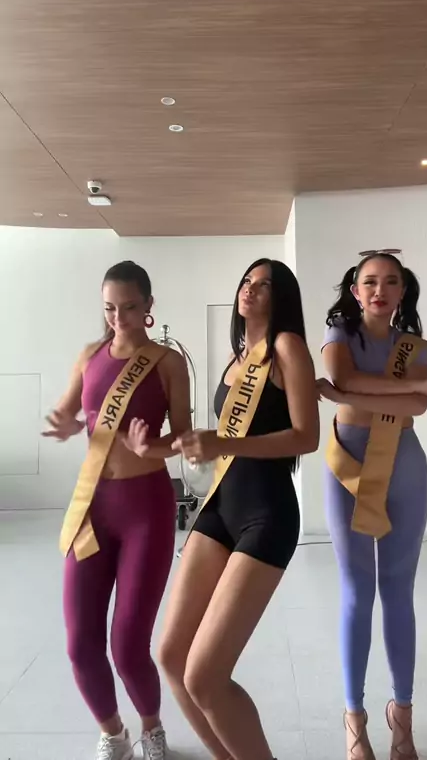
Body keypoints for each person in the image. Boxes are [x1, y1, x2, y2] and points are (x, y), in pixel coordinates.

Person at [132, 258, 319, 760]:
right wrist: (155, 449)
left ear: (282, 298)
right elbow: (214, 440)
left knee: (205, 675)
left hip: (267, 514)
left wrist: (226, 441)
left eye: (265, 285)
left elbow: (307, 436)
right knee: (171, 657)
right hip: (220, 508)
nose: (251, 290)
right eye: (246, 281)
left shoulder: (287, 347)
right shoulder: (238, 359)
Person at [43, 261, 191, 760]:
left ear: (149, 306)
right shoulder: (90, 355)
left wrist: (154, 447)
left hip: (146, 509)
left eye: (129, 307)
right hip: (93, 506)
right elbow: (71, 410)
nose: (119, 318)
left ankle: (152, 727)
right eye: (110, 308)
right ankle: (113, 732)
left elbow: (184, 439)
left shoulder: (167, 362)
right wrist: (67, 424)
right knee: (80, 642)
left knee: (127, 644)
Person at [317, 252, 427, 760]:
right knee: (357, 593)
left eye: (390, 282)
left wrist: (346, 395)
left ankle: (403, 717)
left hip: (405, 470)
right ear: (355, 291)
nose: (379, 290)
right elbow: (346, 378)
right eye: (369, 282)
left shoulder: (413, 345)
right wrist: (412, 384)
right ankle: (354, 720)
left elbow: (410, 407)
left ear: (402, 291)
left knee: (398, 593)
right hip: (347, 470)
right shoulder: (338, 334)